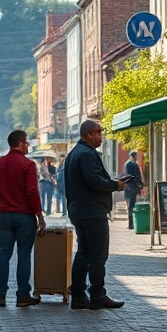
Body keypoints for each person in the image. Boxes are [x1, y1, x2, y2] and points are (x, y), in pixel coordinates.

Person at [63, 120, 126, 310]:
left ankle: (78, 295)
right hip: (92, 211)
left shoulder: (74, 153)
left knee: (83, 253)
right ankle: (97, 294)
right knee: (98, 255)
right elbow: (94, 180)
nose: (101, 137)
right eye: (98, 132)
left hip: (80, 210)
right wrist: (115, 185)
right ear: (89, 134)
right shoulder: (87, 154)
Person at [0, 130, 47, 307]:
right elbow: (32, 191)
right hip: (24, 216)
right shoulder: (27, 164)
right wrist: (39, 215)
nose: (28, 145)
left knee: (3, 254)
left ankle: (0, 295)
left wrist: (1, 207)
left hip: (5, 216)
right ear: (20, 143)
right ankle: (22, 295)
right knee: (23, 255)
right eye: (26, 142)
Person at [122, 150, 146, 229]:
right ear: (132, 156)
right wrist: (141, 185)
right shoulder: (133, 164)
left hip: (127, 187)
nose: (136, 157)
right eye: (135, 156)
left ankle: (130, 224)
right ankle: (131, 224)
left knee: (129, 206)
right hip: (132, 187)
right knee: (132, 206)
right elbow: (135, 176)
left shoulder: (126, 164)